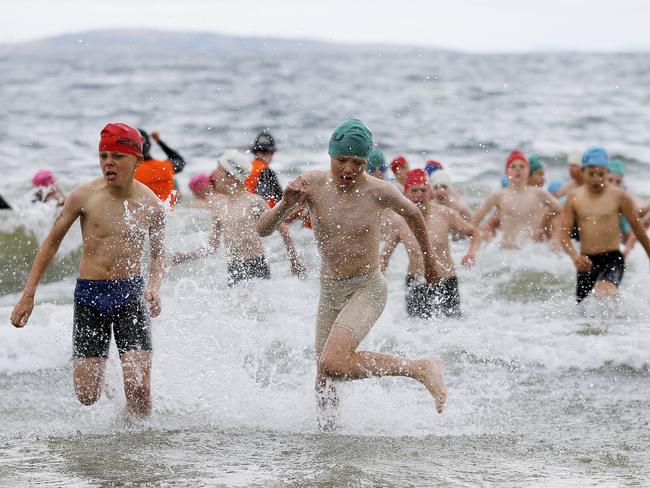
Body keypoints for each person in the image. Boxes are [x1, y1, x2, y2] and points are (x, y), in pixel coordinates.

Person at [256, 119, 447, 429]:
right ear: (330, 154)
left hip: (367, 288)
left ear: (366, 160)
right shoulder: (312, 185)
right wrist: (284, 206)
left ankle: (420, 368)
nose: (346, 169)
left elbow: (413, 214)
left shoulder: (379, 192)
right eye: (340, 160)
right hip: (330, 290)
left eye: (356, 163)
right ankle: (329, 439)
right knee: (324, 377)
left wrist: (430, 262)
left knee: (332, 362)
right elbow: (262, 229)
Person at [10, 123, 165, 421]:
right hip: (90, 297)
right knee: (86, 395)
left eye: (117, 156)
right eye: (104, 155)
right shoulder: (83, 196)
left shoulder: (151, 205)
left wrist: (155, 286)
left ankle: (135, 446)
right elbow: (51, 243)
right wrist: (28, 295)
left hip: (130, 295)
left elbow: (158, 253)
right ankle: (108, 375)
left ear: (137, 160)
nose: (108, 162)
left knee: (139, 389)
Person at [173, 150, 305, 285]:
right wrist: (185, 257)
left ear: (231, 176)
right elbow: (212, 246)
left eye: (218, 170)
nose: (213, 175)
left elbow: (283, 230)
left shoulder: (255, 202)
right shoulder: (219, 205)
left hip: (256, 264)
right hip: (234, 268)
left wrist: (295, 261)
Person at [381, 169, 480, 318]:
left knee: (453, 326)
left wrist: (471, 253)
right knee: (415, 331)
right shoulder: (399, 220)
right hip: (416, 282)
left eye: (423, 190)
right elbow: (385, 254)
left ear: (430, 193)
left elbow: (474, 233)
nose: (419, 194)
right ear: (406, 194)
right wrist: (379, 272)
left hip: (446, 281)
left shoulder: (445, 214)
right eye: (414, 190)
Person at [560, 147, 650, 302]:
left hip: (612, 259)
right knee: (583, 311)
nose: (596, 178)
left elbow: (638, 229)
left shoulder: (619, 196)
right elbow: (564, 235)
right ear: (582, 172)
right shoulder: (574, 197)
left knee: (603, 294)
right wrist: (575, 257)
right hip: (586, 261)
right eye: (591, 174)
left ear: (607, 173)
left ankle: (620, 320)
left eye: (601, 174)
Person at [472, 150, 562, 249]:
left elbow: (560, 211)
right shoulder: (498, 195)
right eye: (513, 166)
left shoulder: (538, 193)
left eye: (522, 166)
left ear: (528, 171)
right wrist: (481, 240)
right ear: (507, 171)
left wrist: (555, 238)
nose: (518, 169)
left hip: (531, 252)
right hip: (506, 251)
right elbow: (475, 220)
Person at [135, 129, 187, 206]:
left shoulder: (130, 171)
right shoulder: (166, 166)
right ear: (150, 146)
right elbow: (180, 160)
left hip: (142, 214)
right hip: (169, 215)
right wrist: (159, 141)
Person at [244, 131, 283, 207]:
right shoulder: (267, 172)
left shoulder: (245, 167)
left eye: (266, 152)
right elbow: (282, 201)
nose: (264, 156)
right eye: (263, 152)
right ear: (273, 153)